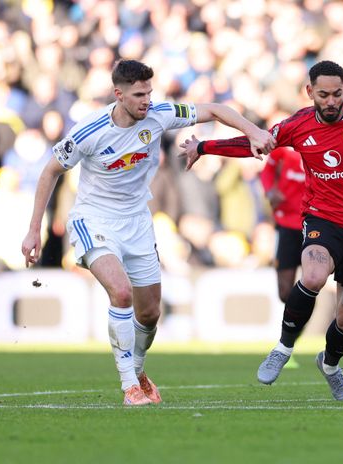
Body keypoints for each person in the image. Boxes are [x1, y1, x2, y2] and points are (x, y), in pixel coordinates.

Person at [180, 60, 343, 401]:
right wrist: (203, 147)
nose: (331, 101)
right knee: (314, 276)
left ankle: (330, 364)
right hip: (322, 220)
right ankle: (284, 347)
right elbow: (256, 143)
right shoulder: (299, 124)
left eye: (337, 94)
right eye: (323, 95)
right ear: (309, 92)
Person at [20, 59, 275, 406]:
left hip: (138, 222)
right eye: (139, 94)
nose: (146, 100)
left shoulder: (159, 114)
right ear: (118, 94)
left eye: (149, 92)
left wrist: (254, 132)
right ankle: (129, 387)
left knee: (150, 314)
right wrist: (34, 230)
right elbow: (50, 172)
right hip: (94, 220)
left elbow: (214, 109)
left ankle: (137, 369)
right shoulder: (88, 131)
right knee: (121, 292)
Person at [259, 146, 306, 370]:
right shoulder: (284, 150)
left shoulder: (323, 145)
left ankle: (289, 343)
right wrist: (270, 191)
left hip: (314, 224)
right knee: (285, 292)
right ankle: (293, 330)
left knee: (310, 283)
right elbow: (266, 171)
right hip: (285, 225)